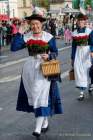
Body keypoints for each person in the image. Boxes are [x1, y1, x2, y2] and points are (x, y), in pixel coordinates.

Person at [11, 7, 63, 138]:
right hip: (29, 69)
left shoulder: (48, 37)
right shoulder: (27, 36)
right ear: (30, 24)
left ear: (41, 24)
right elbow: (13, 48)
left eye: (37, 24)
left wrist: (49, 56)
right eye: (32, 24)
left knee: (41, 95)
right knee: (36, 97)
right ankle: (44, 122)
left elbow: (55, 52)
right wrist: (19, 33)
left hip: (44, 69)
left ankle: (37, 128)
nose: (34, 26)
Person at [71, 13, 93, 101]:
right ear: (77, 22)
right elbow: (73, 46)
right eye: (79, 20)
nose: (80, 22)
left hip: (87, 52)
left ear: (85, 21)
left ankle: (91, 84)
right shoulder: (74, 33)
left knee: (89, 70)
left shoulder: (89, 31)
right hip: (78, 53)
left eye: (82, 20)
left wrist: (92, 50)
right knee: (79, 71)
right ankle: (81, 93)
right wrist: (72, 58)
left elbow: (92, 42)